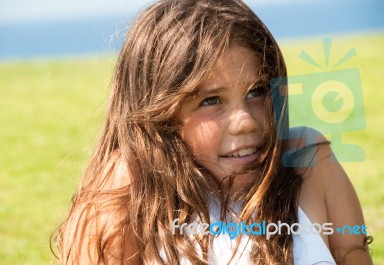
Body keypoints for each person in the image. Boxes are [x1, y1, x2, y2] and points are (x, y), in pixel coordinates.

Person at [53, 0, 373, 264]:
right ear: (158, 115)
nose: (246, 121)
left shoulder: (307, 159)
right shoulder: (129, 187)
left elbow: (353, 254)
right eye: (211, 100)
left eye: (257, 90)